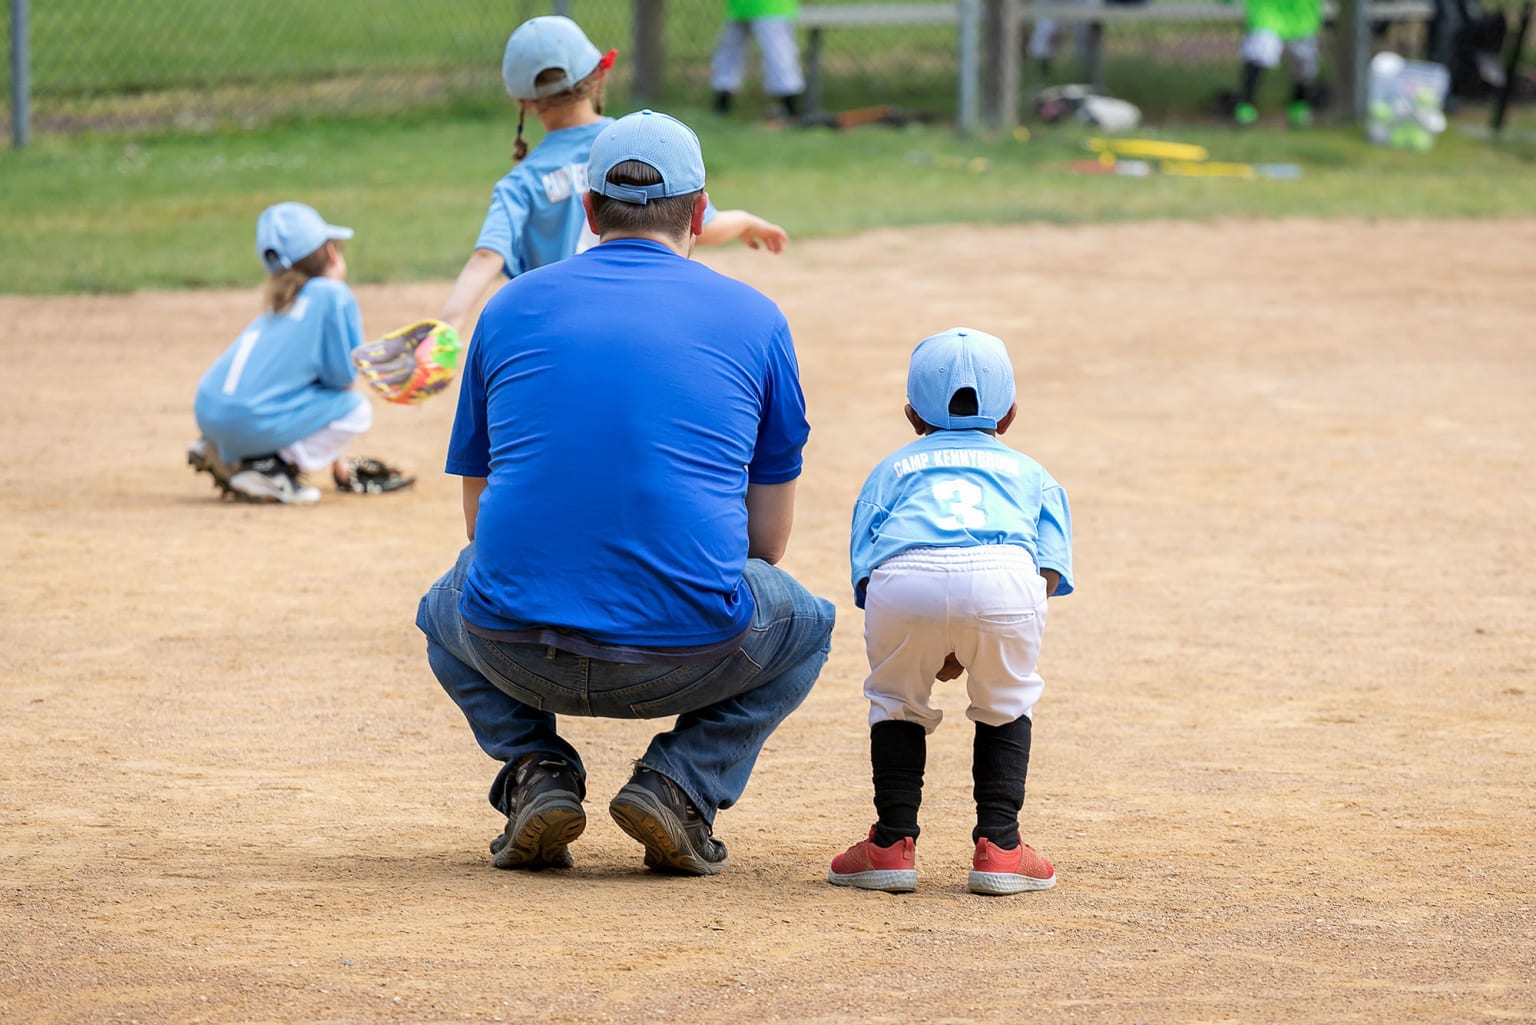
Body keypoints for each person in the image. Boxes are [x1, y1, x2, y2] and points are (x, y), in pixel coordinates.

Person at [417, 109, 835, 877]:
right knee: (806, 624)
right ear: (702, 212)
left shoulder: (509, 307)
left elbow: (481, 523)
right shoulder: (757, 317)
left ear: (587, 211)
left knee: (442, 605)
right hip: (687, 653)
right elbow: (764, 545)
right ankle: (681, 782)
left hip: (514, 648)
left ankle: (536, 770)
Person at [828, 327, 1074, 896]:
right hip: (1006, 577)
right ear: (1009, 415)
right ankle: (1001, 848)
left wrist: (932, 643)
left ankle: (890, 845)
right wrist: (981, 639)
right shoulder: (1033, 473)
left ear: (912, 415)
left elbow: (867, 571)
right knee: (1005, 702)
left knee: (896, 702)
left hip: (904, 581)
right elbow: (1050, 570)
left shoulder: (890, 470)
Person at [438, 15, 790, 338]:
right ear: (598, 76)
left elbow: (487, 256)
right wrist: (744, 221)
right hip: (633, 325)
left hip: (554, 335)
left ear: (523, 102)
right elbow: (700, 226)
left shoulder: (521, 183)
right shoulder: (636, 150)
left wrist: (450, 321)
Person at [188, 202, 412, 505]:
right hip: (247, 420)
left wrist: (339, 462)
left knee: (280, 400)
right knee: (356, 409)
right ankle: (266, 468)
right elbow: (342, 380)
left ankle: (221, 449)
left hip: (208, 410)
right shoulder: (333, 294)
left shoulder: (281, 301)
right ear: (331, 253)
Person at [1222, 0, 1325, 127]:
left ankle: (1299, 103)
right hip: (1266, 12)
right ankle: (1246, 104)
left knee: (1303, 66)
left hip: (1302, 17)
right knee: (1259, 53)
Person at [709, 0, 806, 119]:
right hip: (740, 6)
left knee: (778, 53)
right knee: (729, 51)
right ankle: (722, 101)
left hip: (771, 6)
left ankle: (790, 106)